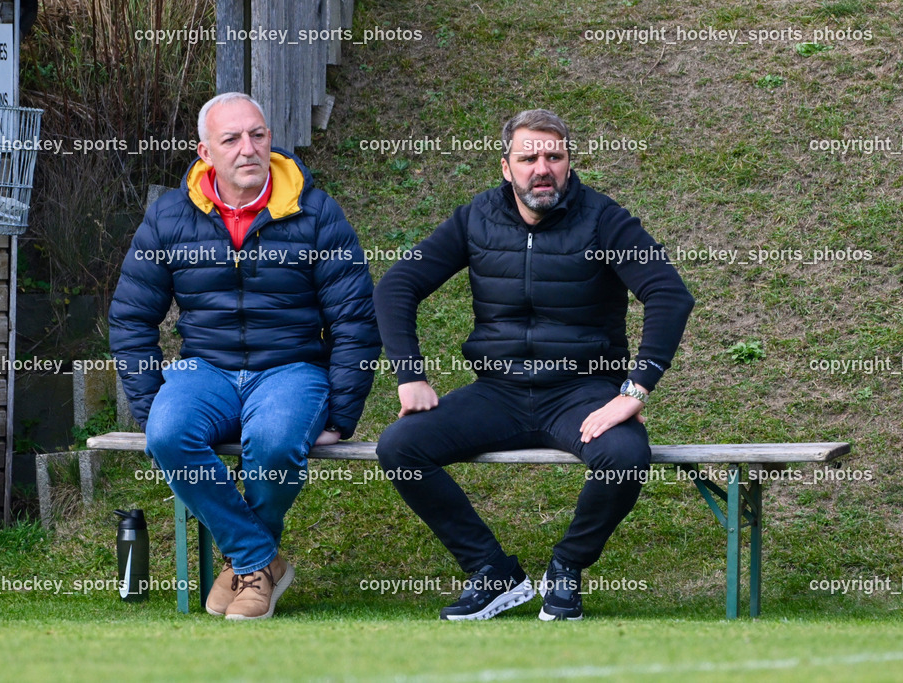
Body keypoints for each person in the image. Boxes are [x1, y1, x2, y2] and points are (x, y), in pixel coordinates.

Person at [374, 108, 694, 621]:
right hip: (498, 394)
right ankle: (492, 572)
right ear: (506, 167)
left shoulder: (604, 219)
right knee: (400, 446)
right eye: (528, 158)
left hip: (580, 393)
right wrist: (410, 374)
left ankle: (566, 568)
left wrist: (632, 392)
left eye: (553, 156)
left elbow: (669, 294)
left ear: (569, 163)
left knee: (625, 454)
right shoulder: (476, 218)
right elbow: (397, 285)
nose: (542, 168)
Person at [109, 92, 381, 620]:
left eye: (257, 135)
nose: (247, 148)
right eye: (231, 139)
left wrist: (341, 414)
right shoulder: (170, 216)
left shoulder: (315, 212)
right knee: (168, 433)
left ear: (270, 139)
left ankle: (244, 568)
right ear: (205, 152)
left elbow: (354, 319)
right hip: (204, 369)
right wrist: (149, 405)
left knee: (276, 443)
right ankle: (259, 561)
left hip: (291, 368)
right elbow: (130, 318)